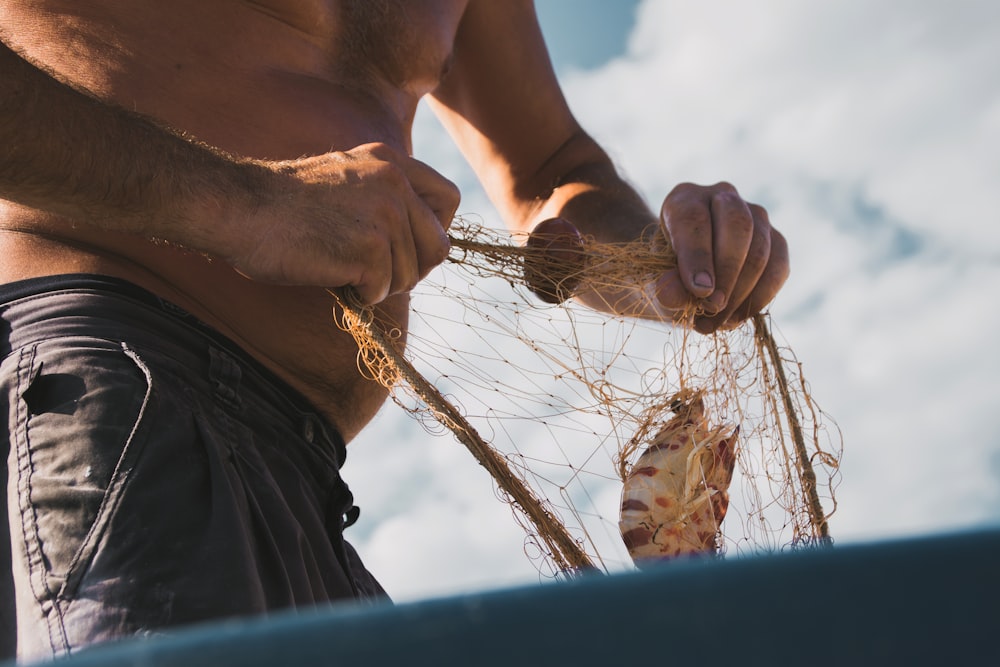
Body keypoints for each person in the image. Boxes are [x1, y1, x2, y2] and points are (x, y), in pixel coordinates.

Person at [0, 0, 788, 660]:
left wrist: (664, 264)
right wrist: (245, 203)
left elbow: (549, 165)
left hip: (307, 474)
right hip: (110, 376)